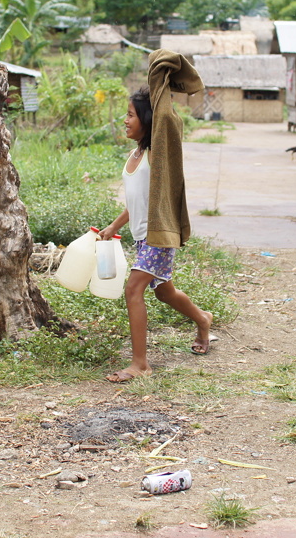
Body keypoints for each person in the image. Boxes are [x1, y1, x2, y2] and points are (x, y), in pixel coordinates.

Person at [98, 50, 213, 383]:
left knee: (133, 289)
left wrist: (159, 77)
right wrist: (113, 226)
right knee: (164, 292)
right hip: (141, 235)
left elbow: (166, 117)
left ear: (148, 120)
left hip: (158, 235)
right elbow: (136, 201)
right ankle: (202, 320)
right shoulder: (134, 154)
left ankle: (140, 364)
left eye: (131, 114)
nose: (125, 119)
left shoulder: (156, 152)